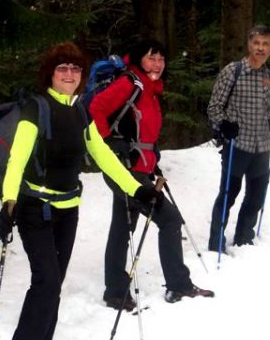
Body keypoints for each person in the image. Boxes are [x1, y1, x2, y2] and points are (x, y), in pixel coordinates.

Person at [0, 42, 157, 340]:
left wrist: (136, 188)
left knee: (55, 282)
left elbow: (102, 154)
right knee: (47, 280)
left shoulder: (80, 112)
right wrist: (8, 202)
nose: (69, 74)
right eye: (62, 68)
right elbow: (17, 159)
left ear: (82, 76)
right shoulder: (35, 110)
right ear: (50, 74)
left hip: (68, 209)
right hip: (33, 208)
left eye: (75, 69)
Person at [88, 39, 213, 306]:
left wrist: (151, 162)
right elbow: (96, 108)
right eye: (151, 58)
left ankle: (114, 291)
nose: (157, 64)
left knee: (122, 228)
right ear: (139, 60)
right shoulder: (129, 83)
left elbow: (144, 132)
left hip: (138, 169)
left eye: (161, 59)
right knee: (169, 220)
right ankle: (177, 285)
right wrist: (110, 141)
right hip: (123, 168)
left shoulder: (151, 89)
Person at [206, 24, 270, 252]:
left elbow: (264, 109)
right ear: (249, 45)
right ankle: (216, 242)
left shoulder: (269, 77)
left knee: (256, 197)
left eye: (265, 44)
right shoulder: (233, 71)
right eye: (256, 43)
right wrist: (223, 125)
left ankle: (244, 238)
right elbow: (214, 107)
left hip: (261, 146)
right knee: (228, 195)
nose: (260, 48)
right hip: (237, 144)